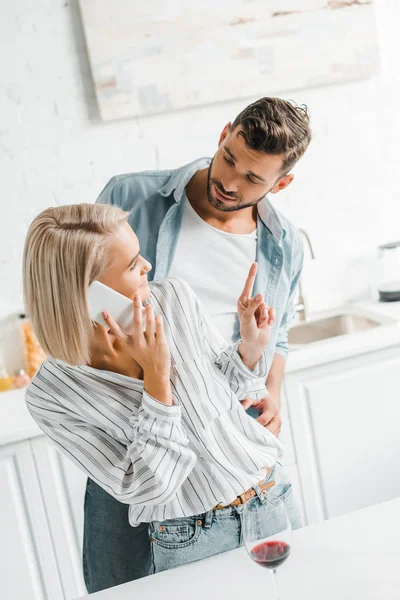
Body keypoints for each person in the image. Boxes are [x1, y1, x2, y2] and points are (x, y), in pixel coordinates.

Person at [85, 96, 311, 591]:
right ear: (224, 132)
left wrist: (273, 389)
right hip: (134, 437)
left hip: (229, 437)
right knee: (118, 587)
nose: (230, 182)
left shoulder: (284, 243)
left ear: (282, 184)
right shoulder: (130, 196)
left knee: (276, 584)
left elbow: (281, 333)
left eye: (253, 179)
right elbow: (80, 291)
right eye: (229, 157)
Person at [23, 203, 299, 585]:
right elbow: (146, 487)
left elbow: (228, 393)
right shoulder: (52, 397)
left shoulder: (172, 298)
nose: (148, 267)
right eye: (133, 264)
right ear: (87, 292)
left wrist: (250, 349)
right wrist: (156, 378)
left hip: (270, 498)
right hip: (189, 539)